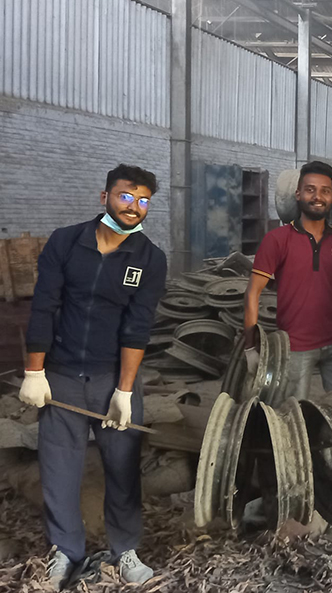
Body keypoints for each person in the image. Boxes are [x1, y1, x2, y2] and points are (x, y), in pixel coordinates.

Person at [19, 165, 167, 589]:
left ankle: (125, 551)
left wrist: (124, 390)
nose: (134, 207)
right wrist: (34, 372)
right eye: (125, 196)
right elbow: (44, 306)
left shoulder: (149, 258)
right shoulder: (66, 242)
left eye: (143, 201)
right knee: (59, 469)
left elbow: (138, 326)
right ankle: (66, 551)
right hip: (61, 375)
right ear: (104, 197)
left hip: (112, 380)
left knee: (122, 468)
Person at [244, 161, 332, 399]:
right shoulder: (277, 240)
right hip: (295, 347)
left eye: (325, 190)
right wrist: (250, 347)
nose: (318, 197)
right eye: (310, 190)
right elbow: (253, 292)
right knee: (293, 414)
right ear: (298, 194)